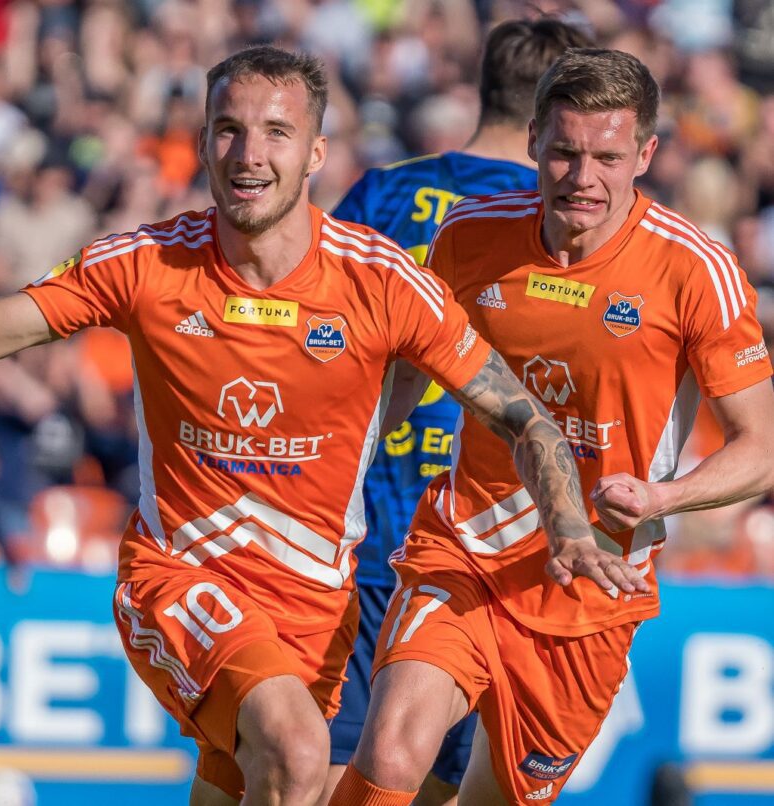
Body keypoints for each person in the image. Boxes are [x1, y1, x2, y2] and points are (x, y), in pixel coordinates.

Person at [0, 46, 640, 805]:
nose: (249, 154)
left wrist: (567, 523)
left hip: (318, 602)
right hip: (181, 574)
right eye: (229, 129)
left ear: (316, 154)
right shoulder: (148, 263)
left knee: (260, 783)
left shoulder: (381, 279)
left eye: (276, 132)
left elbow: (520, 412)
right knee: (296, 750)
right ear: (201, 141)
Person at [329, 48, 774, 805]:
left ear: (646, 155)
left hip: (594, 584)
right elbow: (402, 376)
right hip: (465, 545)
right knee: (392, 755)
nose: (582, 178)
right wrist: (335, 460)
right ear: (533, 139)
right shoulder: (470, 235)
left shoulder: (697, 269)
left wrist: (662, 499)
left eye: (608, 158)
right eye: (565, 152)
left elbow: (760, 448)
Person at [323, 18, 593, 805]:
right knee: (448, 783)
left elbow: (320, 334)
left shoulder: (384, 190)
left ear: (486, 85)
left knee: (347, 772)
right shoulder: (569, 216)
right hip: (502, 536)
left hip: (374, 515)